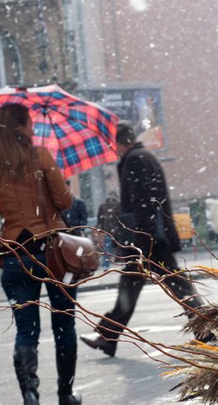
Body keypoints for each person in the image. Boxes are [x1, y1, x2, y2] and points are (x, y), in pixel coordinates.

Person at [0, 103, 82, 405]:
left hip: (16, 256)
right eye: (30, 123)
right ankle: (65, 395)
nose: (33, 128)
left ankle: (30, 394)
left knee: (26, 330)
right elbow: (65, 202)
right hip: (52, 252)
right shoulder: (40, 157)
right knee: (63, 324)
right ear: (20, 125)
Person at [80, 122, 208, 357]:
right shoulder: (142, 157)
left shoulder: (135, 160)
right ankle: (203, 328)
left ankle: (108, 336)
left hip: (147, 240)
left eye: (113, 144)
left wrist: (137, 240)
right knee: (172, 283)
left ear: (119, 142)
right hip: (153, 237)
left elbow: (142, 204)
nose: (113, 149)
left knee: (146, 286)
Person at [94, 190, 121, 269]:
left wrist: (101, 229)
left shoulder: (103, 206)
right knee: (120, 247)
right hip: (118, 230)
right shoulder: (119, 205)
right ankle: (121, 263)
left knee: (107, 248)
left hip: (107, 230)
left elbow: (100, 219)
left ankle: (105, 265)